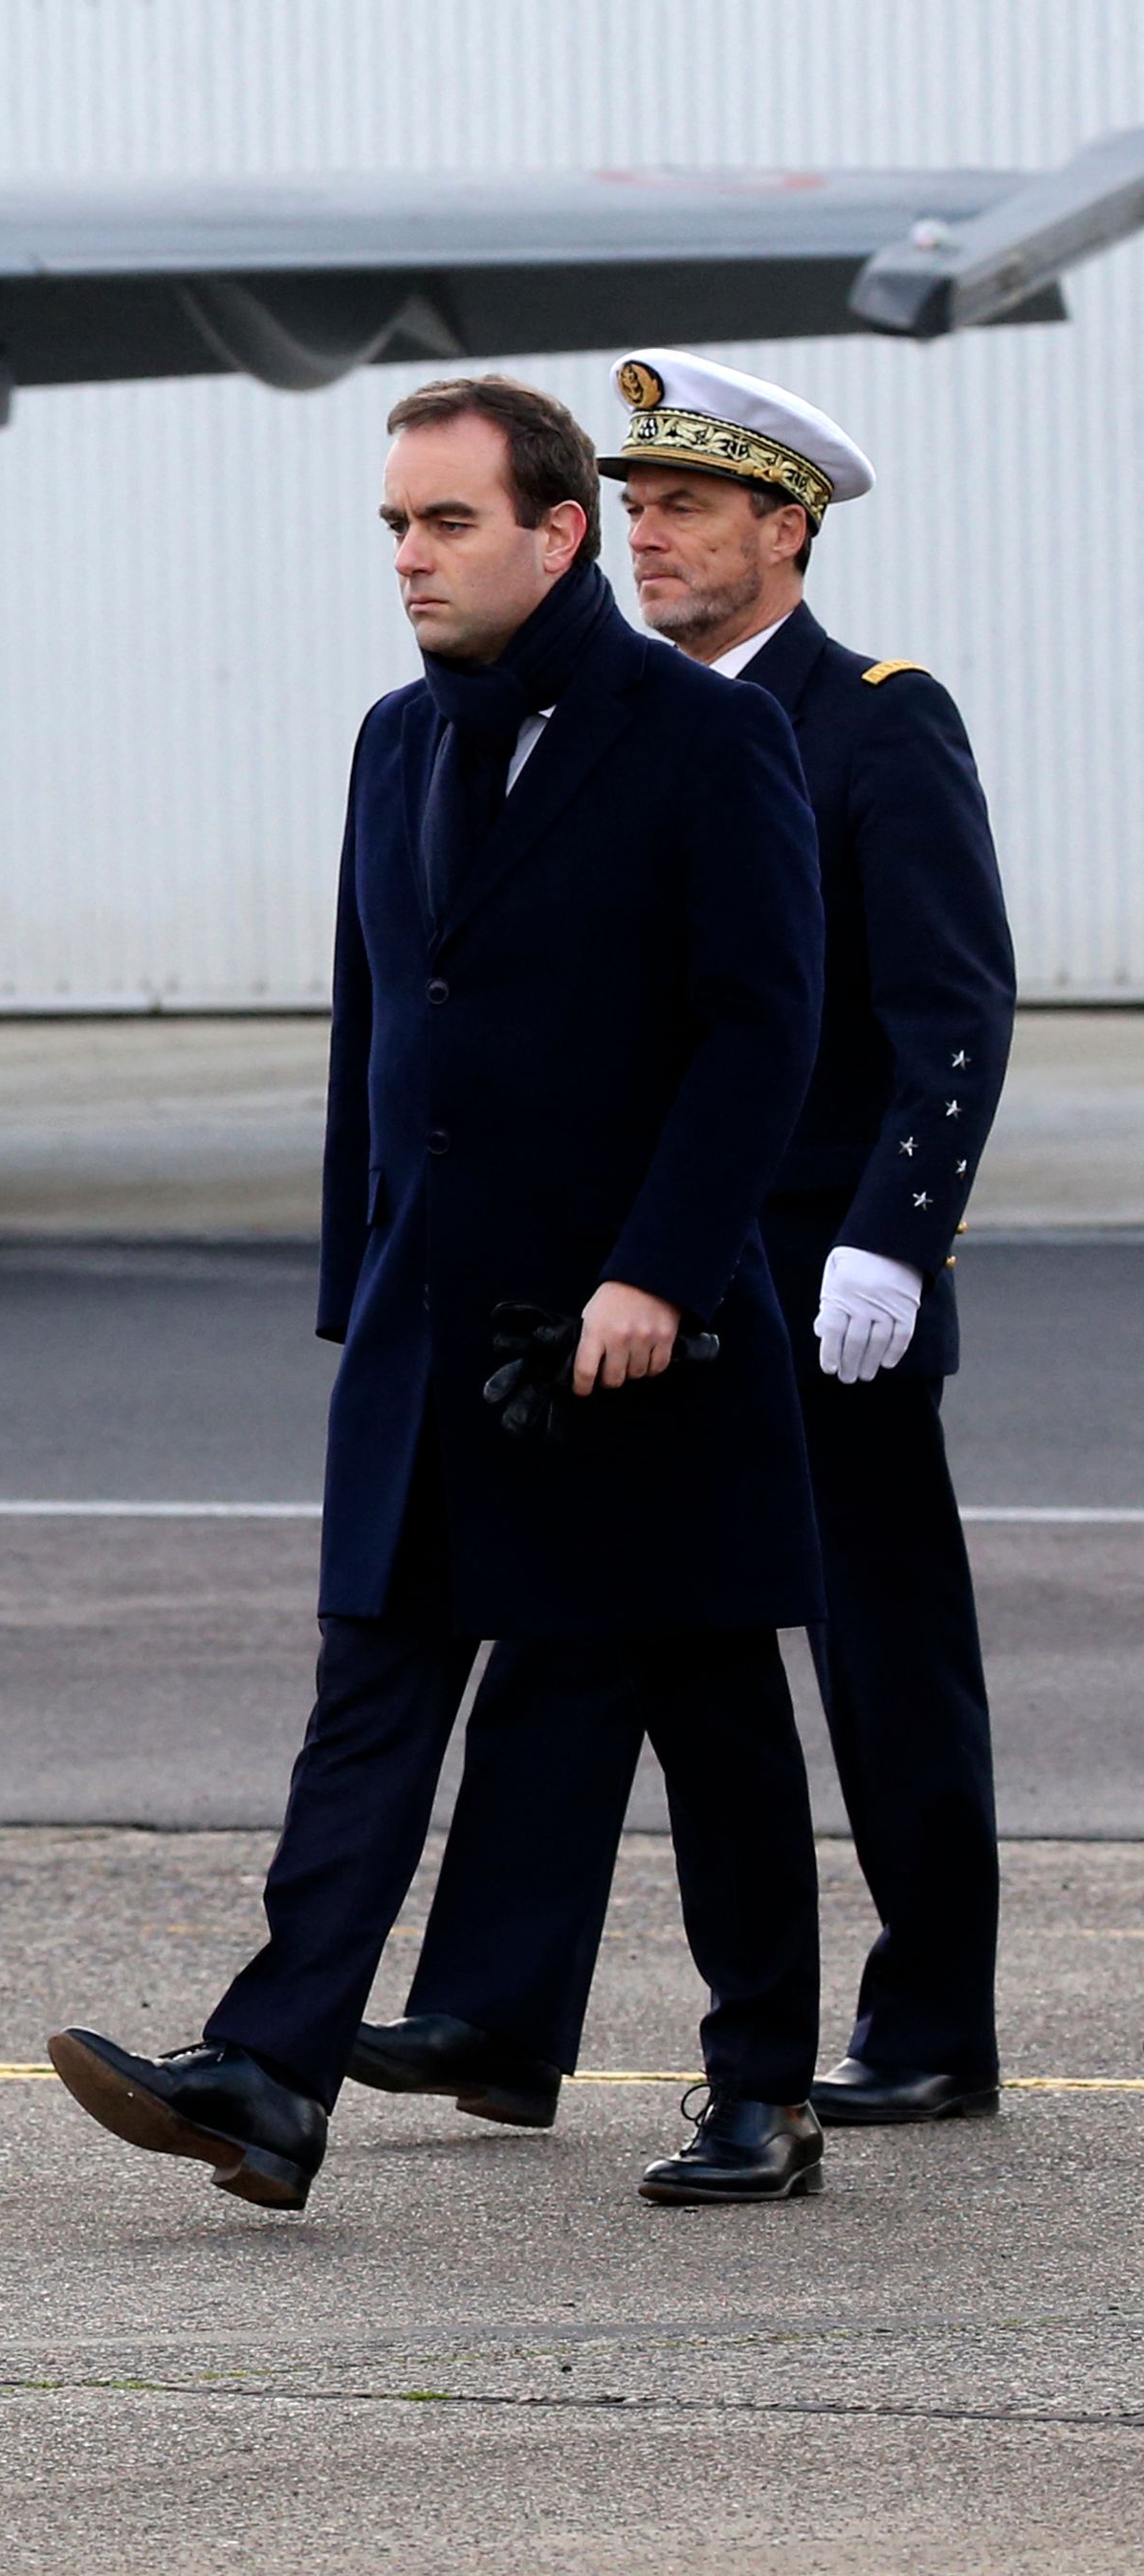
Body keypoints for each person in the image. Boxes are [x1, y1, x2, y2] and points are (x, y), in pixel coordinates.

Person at [50, 375, 830, 2211]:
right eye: (394, 526)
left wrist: (658, 1267)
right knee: (373, 1693)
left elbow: (760, 1031)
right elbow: (376, 1035)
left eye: (447, 521)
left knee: (707, 1703)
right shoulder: (396, 742)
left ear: (557, 534)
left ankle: (764, 2089)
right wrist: (361, 1280)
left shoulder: (702, 740)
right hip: (434, 1325)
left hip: (641, 1336)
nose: (410, 556)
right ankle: (270, 2072)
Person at [365, 354, 1016, 2131]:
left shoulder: (876, 721)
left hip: (825, 1281)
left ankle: (934, 2012)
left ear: (785, 532)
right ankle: (498, 2011)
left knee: (881, 1660)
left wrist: (893, 1242)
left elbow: (951, 1014)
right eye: (636, 508)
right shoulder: (591, 720)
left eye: (692, 510)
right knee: (579, 1642)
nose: (652, 537)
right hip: (640, 1272)